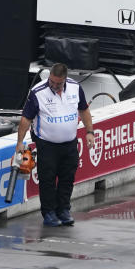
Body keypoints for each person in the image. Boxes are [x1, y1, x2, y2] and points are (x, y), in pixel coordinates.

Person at [16, 63, 96, 227]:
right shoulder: (38, 92)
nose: (54, 85)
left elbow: (84, 110)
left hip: (70, 142)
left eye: (58, 83)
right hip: (46, 143)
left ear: (65, 80)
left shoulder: (75, 88)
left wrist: (90, 132)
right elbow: (26, 119)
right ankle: (49, 213)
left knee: (68, 177)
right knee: (48, 178)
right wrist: (19, 142)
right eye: (52, 81)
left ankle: (64, 210)